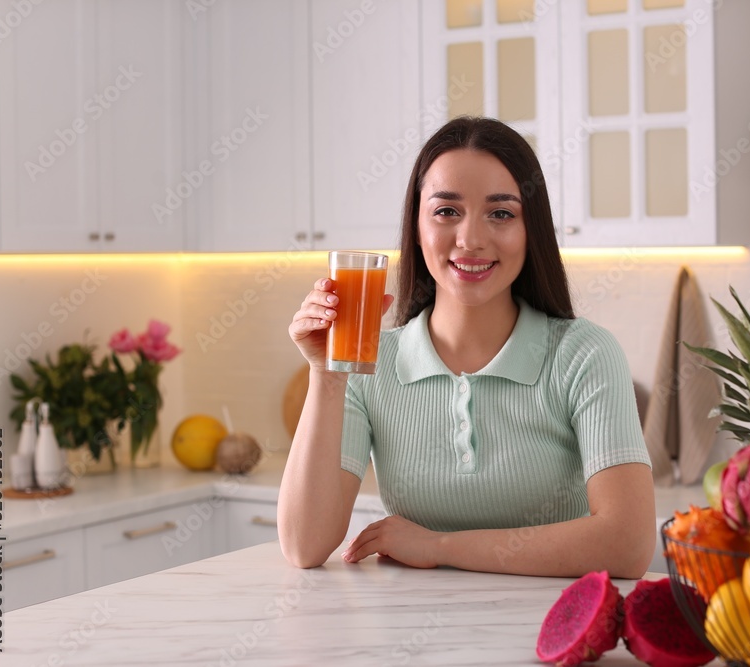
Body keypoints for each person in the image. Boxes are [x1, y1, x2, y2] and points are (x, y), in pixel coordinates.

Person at [279, 116, 655, 578]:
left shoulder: (585, 354)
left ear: (529, 231)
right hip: (415, 642)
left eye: (501, 213)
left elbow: (629, 544)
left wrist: (437, 546)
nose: (471, 239)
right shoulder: (371, 364)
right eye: (446, 211)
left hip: (558, 636)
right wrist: (328, 374)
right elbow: (304, 545)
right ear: (416, 228)